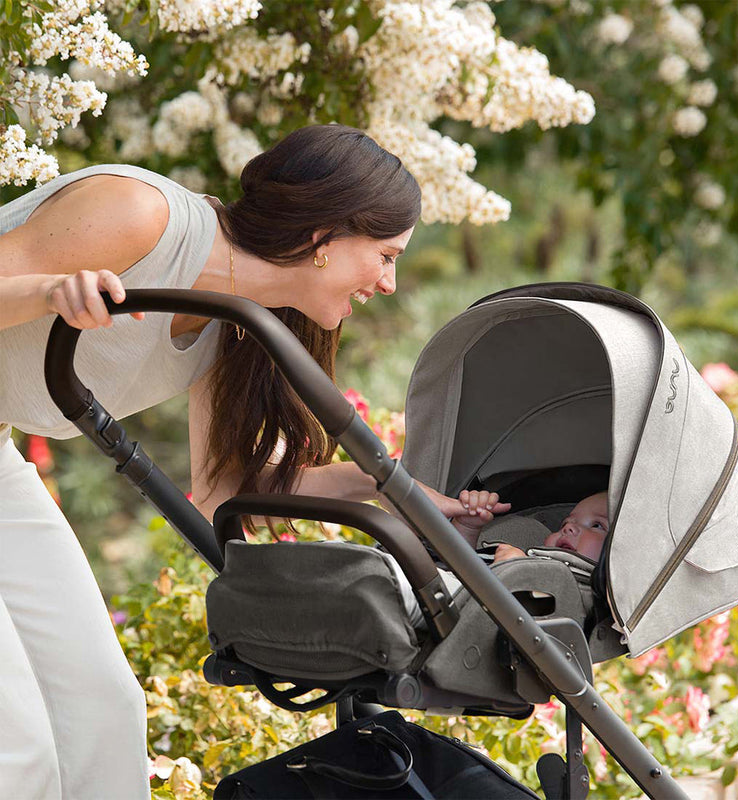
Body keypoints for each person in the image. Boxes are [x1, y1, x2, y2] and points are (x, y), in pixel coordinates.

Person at [0, 125, 478, 799]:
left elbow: (222, 490)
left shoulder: (238, 323)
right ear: (326, 235)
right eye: (386, 255)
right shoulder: (140, 215)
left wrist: (385, 485)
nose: (390, 282)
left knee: (105, 712)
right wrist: (50, 290)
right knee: (13, 743)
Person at [389, 491, 609, 628]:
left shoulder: (572, 595)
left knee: (383, 577)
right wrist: (466, 528)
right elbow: (458, 568)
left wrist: (519, 574)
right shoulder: (527, 556)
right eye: (565, 523)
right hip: (436, 582)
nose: (569, 528)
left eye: (597, 525)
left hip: (438, 602)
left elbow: (533, 616)